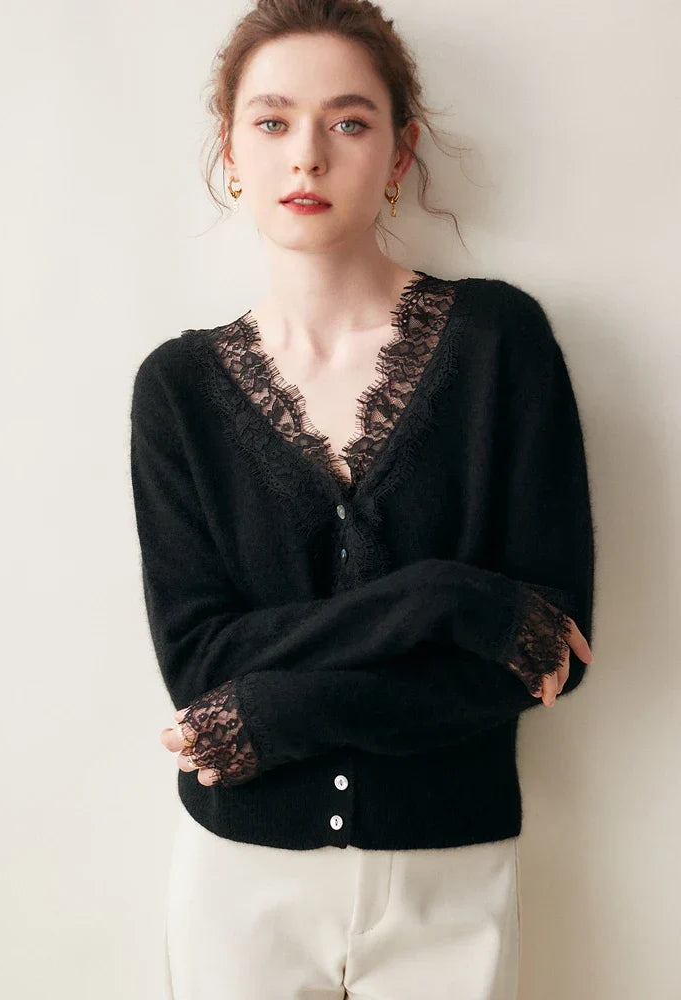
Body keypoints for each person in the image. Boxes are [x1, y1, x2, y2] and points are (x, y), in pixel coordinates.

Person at [128, 2, 595, 998]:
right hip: (239, 883)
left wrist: (272, 713)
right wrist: (449, 600)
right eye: (271, 121)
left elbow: (547, 655)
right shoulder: (178, 390)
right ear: (231, 150)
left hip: (451, 875)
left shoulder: (501, 345)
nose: (307, 155)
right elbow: (203, 664)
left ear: (398, 151)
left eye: (347, 121)